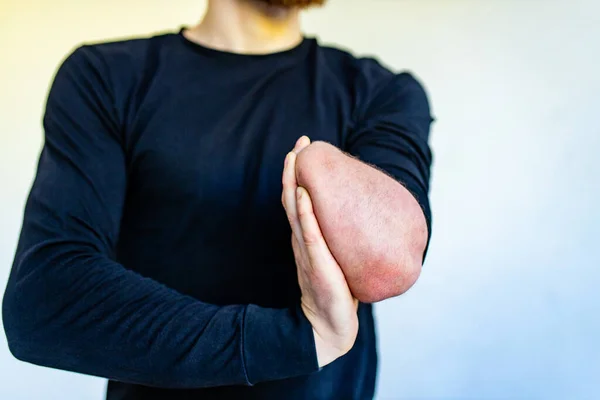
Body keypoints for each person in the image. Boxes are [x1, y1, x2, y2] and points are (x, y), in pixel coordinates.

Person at [2, 0, 434, 398]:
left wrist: (321, 164)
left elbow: (389, 263)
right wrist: (297, 340)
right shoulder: (105, 77)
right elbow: (45, 299)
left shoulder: (382, 94)